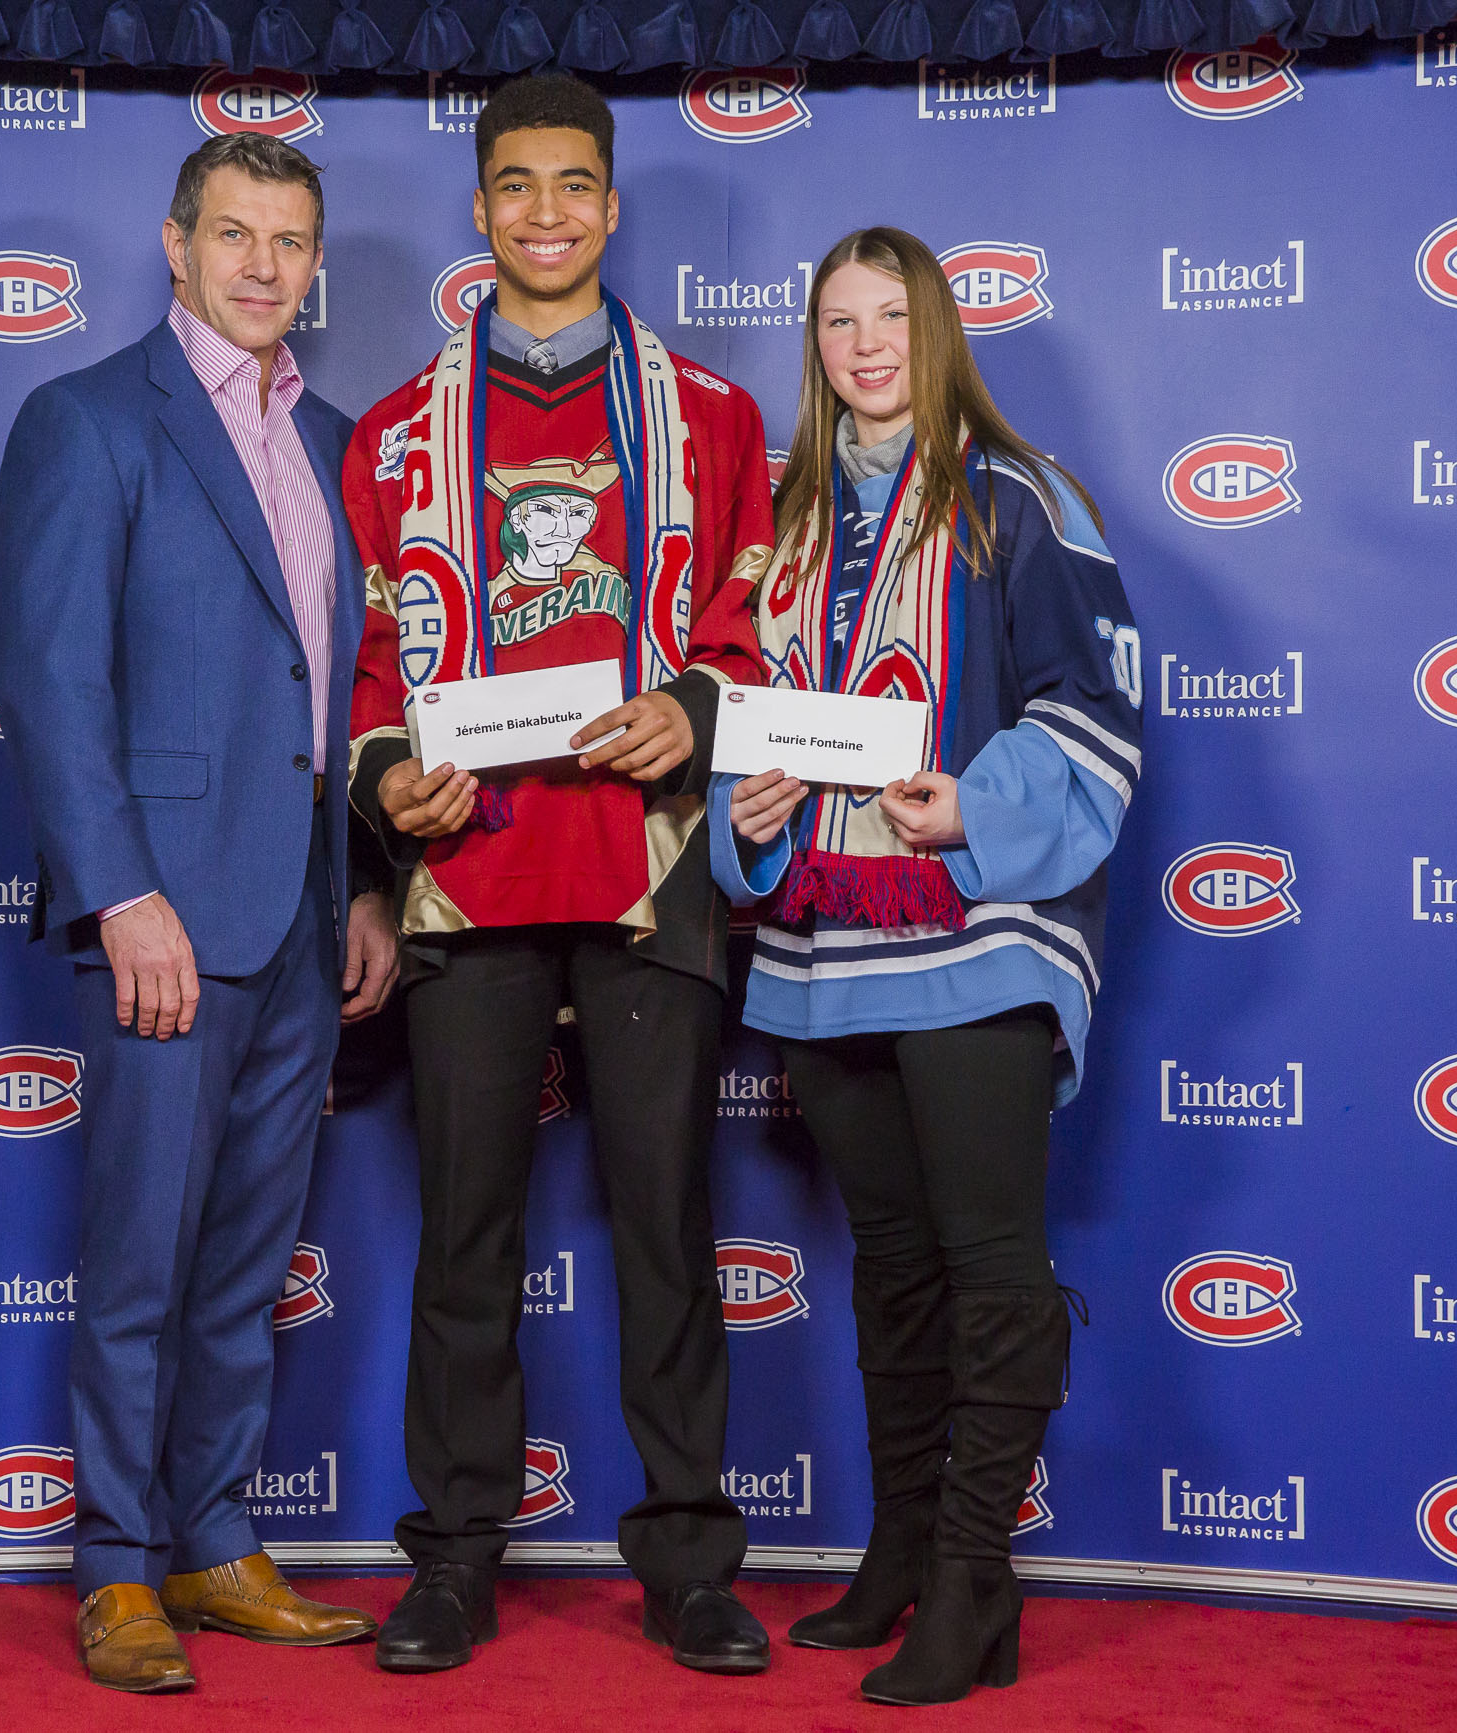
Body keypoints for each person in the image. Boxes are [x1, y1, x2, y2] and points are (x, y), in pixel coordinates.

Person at [342, 73, 779, 1676]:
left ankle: (689, 1558)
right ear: (479, 207)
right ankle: (455, 1555)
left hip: (654, 874)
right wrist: (393, 780)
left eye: (574, 187)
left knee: (667, 1224)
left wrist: (698, 706)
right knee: (467, 1236)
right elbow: (373, 675)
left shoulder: (717, 419)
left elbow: (754, 639)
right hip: (472, 877)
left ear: (611, 206)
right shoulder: (395, 431)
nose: (545, 214)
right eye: (516, 186)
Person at [0, 132, 399, 1694]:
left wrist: (362, 881)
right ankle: (117, 1567)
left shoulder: (344, 443)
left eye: (289, 241)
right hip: (165, 909)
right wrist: (119, 893)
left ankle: (217, 1538)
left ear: (314, 261)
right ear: (174, 245)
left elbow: (344, 696)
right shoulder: (89, 423)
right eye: (232, 234)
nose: (261, 266)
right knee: (145, 1253)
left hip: (305, 906)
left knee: (246, 1255)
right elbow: (51, 683)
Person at [712, 227, 1141, 1706]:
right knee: (890, 1267)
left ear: (938, 328)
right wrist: (746, 813)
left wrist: (980, 801)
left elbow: (1093, 708)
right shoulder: (781, 522)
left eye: (891, 315)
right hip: (825, 951)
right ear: (815, 344)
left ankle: (976, 1581)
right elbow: (745, 726)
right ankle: (898, 1551)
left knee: (989, 1266)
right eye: (838, 319)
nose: (865, 343)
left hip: (977, 940)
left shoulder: (1020, 500)